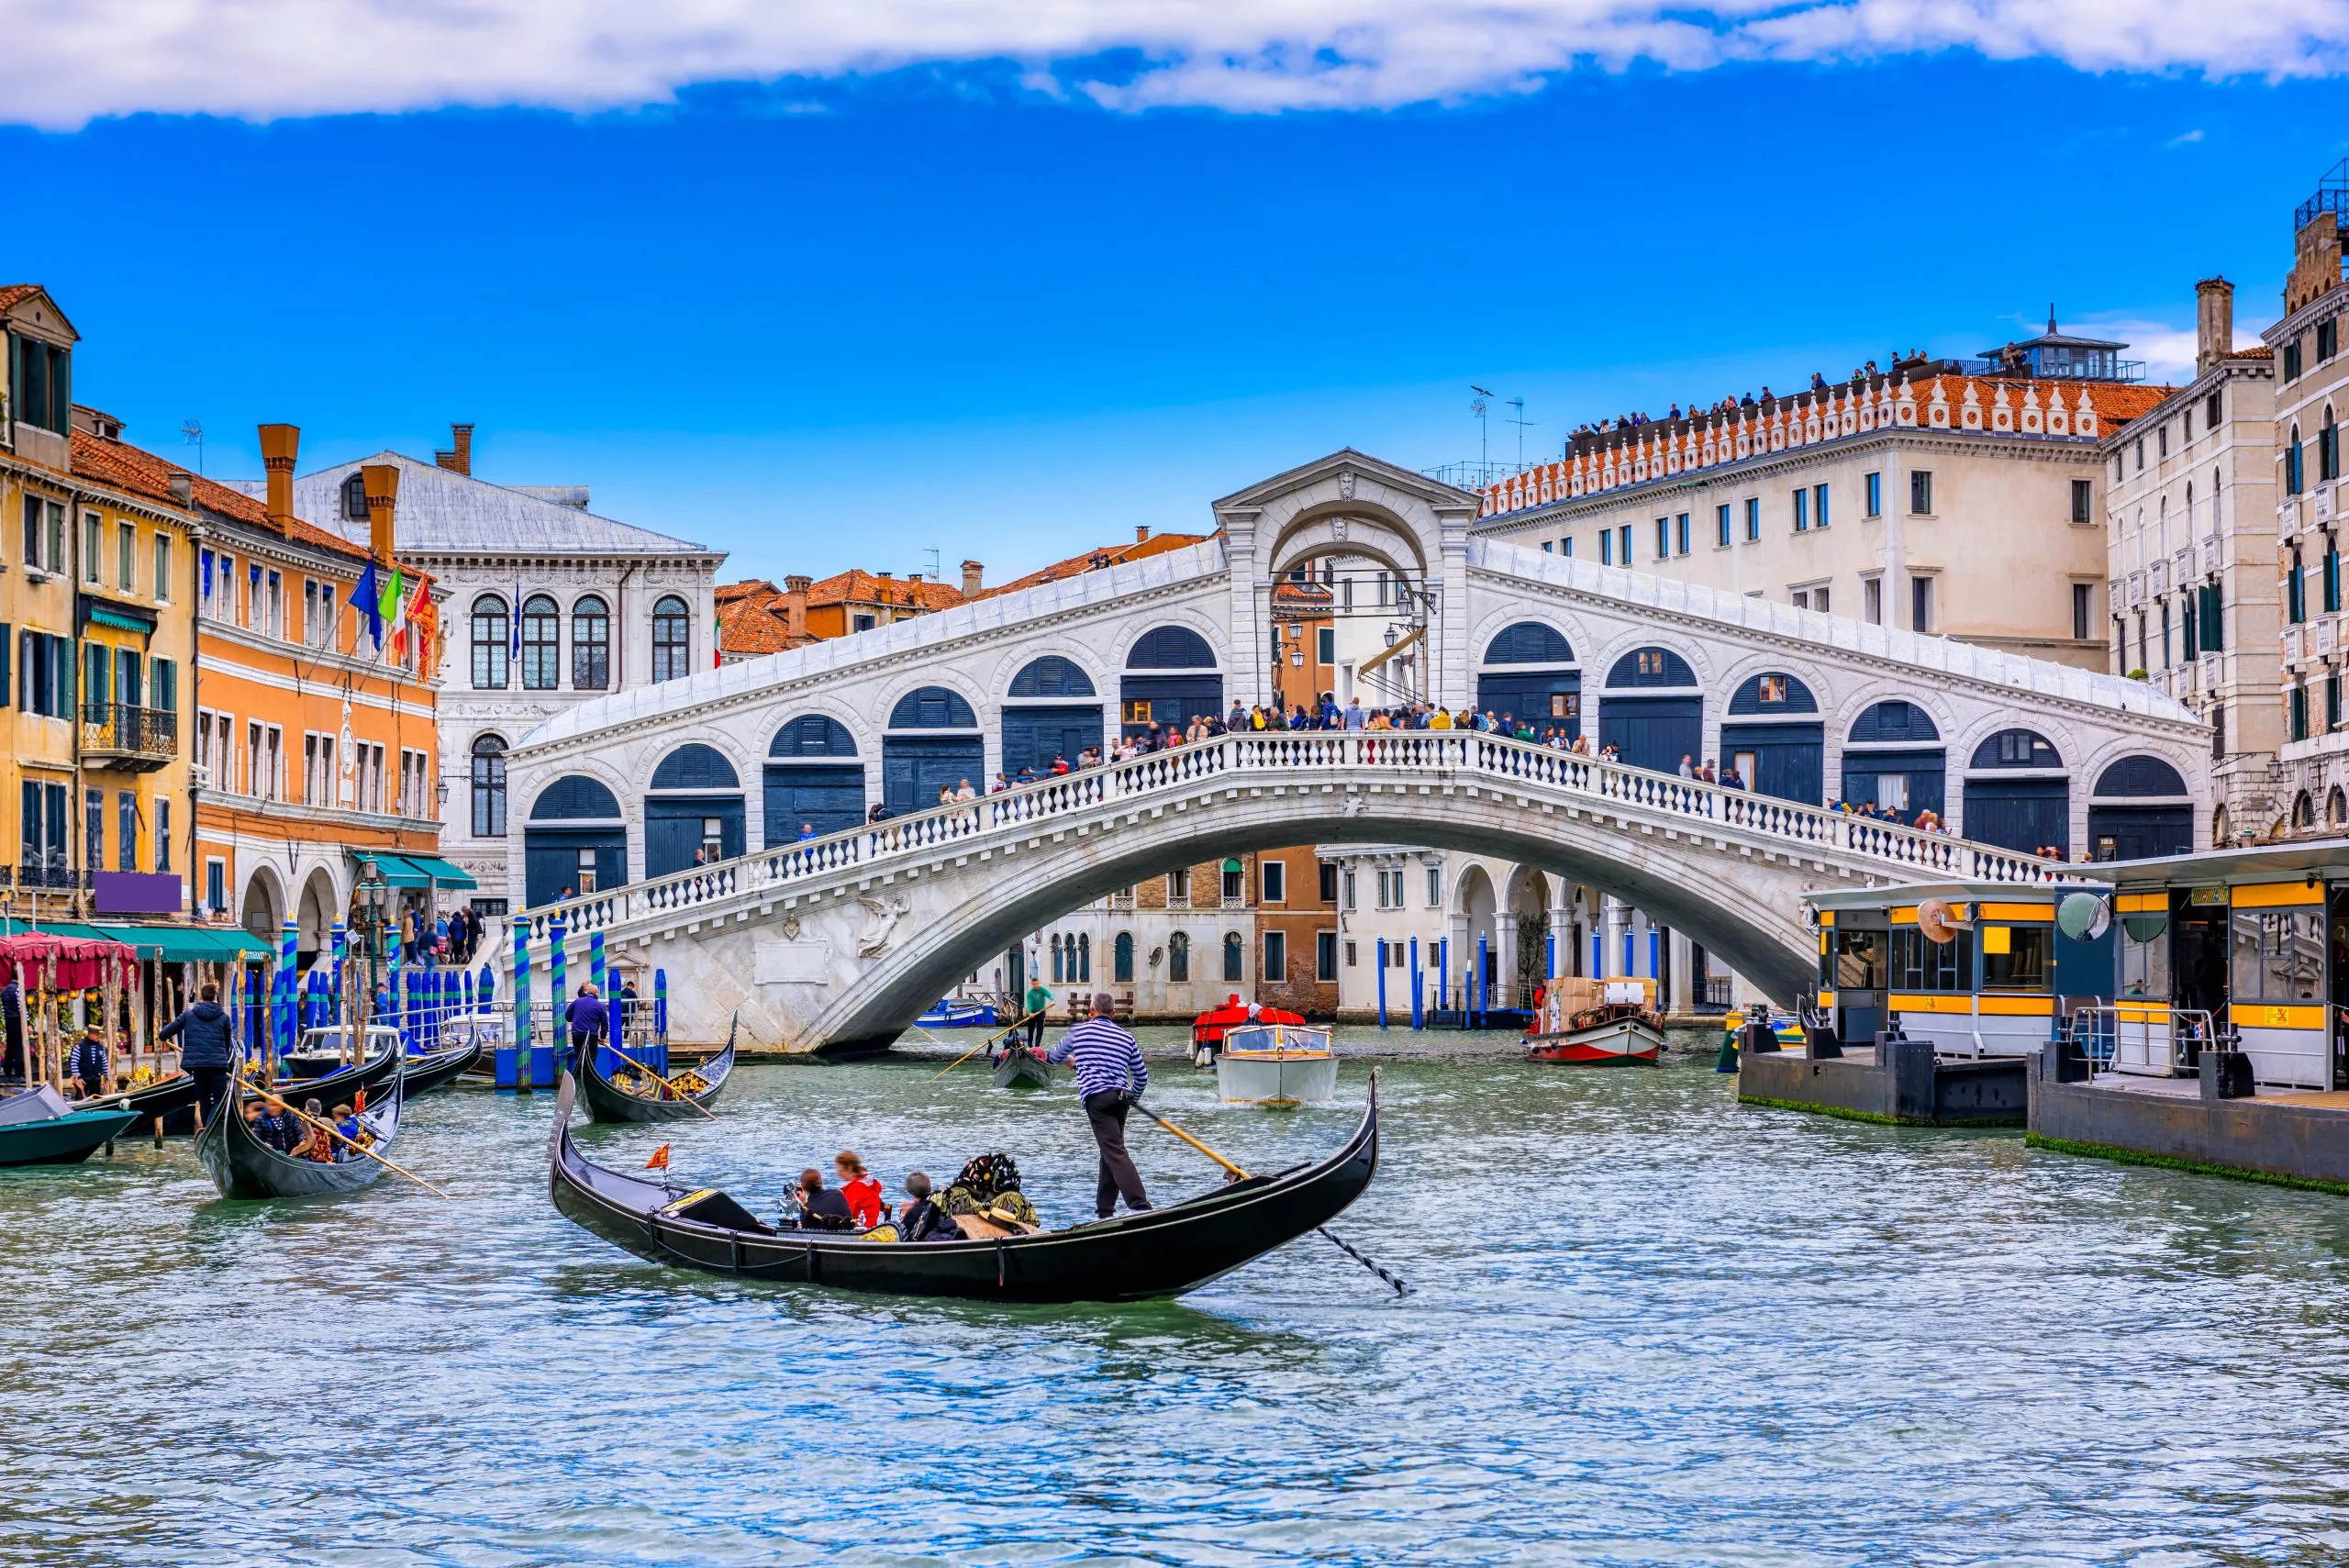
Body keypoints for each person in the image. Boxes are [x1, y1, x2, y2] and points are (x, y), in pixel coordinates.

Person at [1046, 991, 1152, 1220]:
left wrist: (1071, 1060)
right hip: (1120, 1099)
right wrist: (1132, 1096)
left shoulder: (1079, 1032)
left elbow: (1052, 1057)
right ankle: (1105, 1212)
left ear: (1091, 1012)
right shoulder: (1127, 1037)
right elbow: (1142, 1076)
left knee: (1114, 1151)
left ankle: (1140, 1206)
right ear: (1113, 1014)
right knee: (1110, 1151)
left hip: (1097, 1099)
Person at [158, 983, 235, 1124]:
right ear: (216, 997)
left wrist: (163, 1039)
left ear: (201, 996)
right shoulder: (224, 1017)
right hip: (217, 1065)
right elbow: (227, 1044)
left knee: (204, 1100)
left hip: (197, 1065)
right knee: (220, 1100)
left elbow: (164, 1033)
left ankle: (207, 1128)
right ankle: (213, 1126)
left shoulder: (188, 1015)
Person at [896, 1171, 955, 1240]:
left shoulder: (913, 1212)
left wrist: (905, 1216)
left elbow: (902, 1235)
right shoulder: (937, 1203)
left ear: (911, 1192)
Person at [790, 1167, 855, 1230]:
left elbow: (806, 1228)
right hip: (849, 1232)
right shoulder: (837, 1193)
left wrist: (803, 1203)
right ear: (821, 1182)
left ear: (803, 1188)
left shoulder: (807, 1210)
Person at [566, 984, 608, 1075]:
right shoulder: (600, 1006)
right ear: (597, 994)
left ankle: (579, 1077)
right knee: (590, 1058)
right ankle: (588, 1077)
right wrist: (602, 1037)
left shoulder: (577, 1001)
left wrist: (575, 1019)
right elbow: (605, 1024)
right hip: (591, 1035)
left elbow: (568, 1016)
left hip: (576, 1034)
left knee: (578, 1057)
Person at [835, 1151, 883, 1229]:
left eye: (840, 1170)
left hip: (861, 1232)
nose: (838, 1173)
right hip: (871, 1227)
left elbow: (845, 1214)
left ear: (849, 1169)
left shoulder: (856, 1189)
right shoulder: (869, 1182)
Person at [67, 1031, 107, 1100]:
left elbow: (104, 1063)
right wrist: (78, 1077)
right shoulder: (79, 1047)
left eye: (99, 1034)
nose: (98, 1036)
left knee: (96, 1096)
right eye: (96, 1034)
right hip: (83, 1079)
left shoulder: (101, 1048)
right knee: (81, 1097)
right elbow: (74, 1062)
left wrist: (107, 1075)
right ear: (90, 1034)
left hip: (96, 1079)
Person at [1, 976, 23, 1081]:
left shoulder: (4, 991)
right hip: (18, 1021)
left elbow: (3, 1009)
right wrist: (27, 1023)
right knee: (19, 1047)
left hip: (8, 1021)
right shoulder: (19, 990)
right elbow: (22, 1008)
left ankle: (8, 1072)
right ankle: (19, 1073)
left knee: (10, 1047)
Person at [1023, 977, 1052, 1049]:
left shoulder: (1042, 990)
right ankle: (1029, 1046)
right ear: (1032, 984)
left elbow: (1049, 994)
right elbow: (1029, 1003)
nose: (1035, 985)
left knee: (1039, 1031)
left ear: (1038, 983)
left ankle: (1037, 1047)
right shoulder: (1030, 993)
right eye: (1034, 984)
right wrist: (1030, 1012)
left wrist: (1052, 1000)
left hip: (1041, 1012)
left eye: (1036, 984)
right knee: (1030, 1030)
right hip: (1032, 1013)